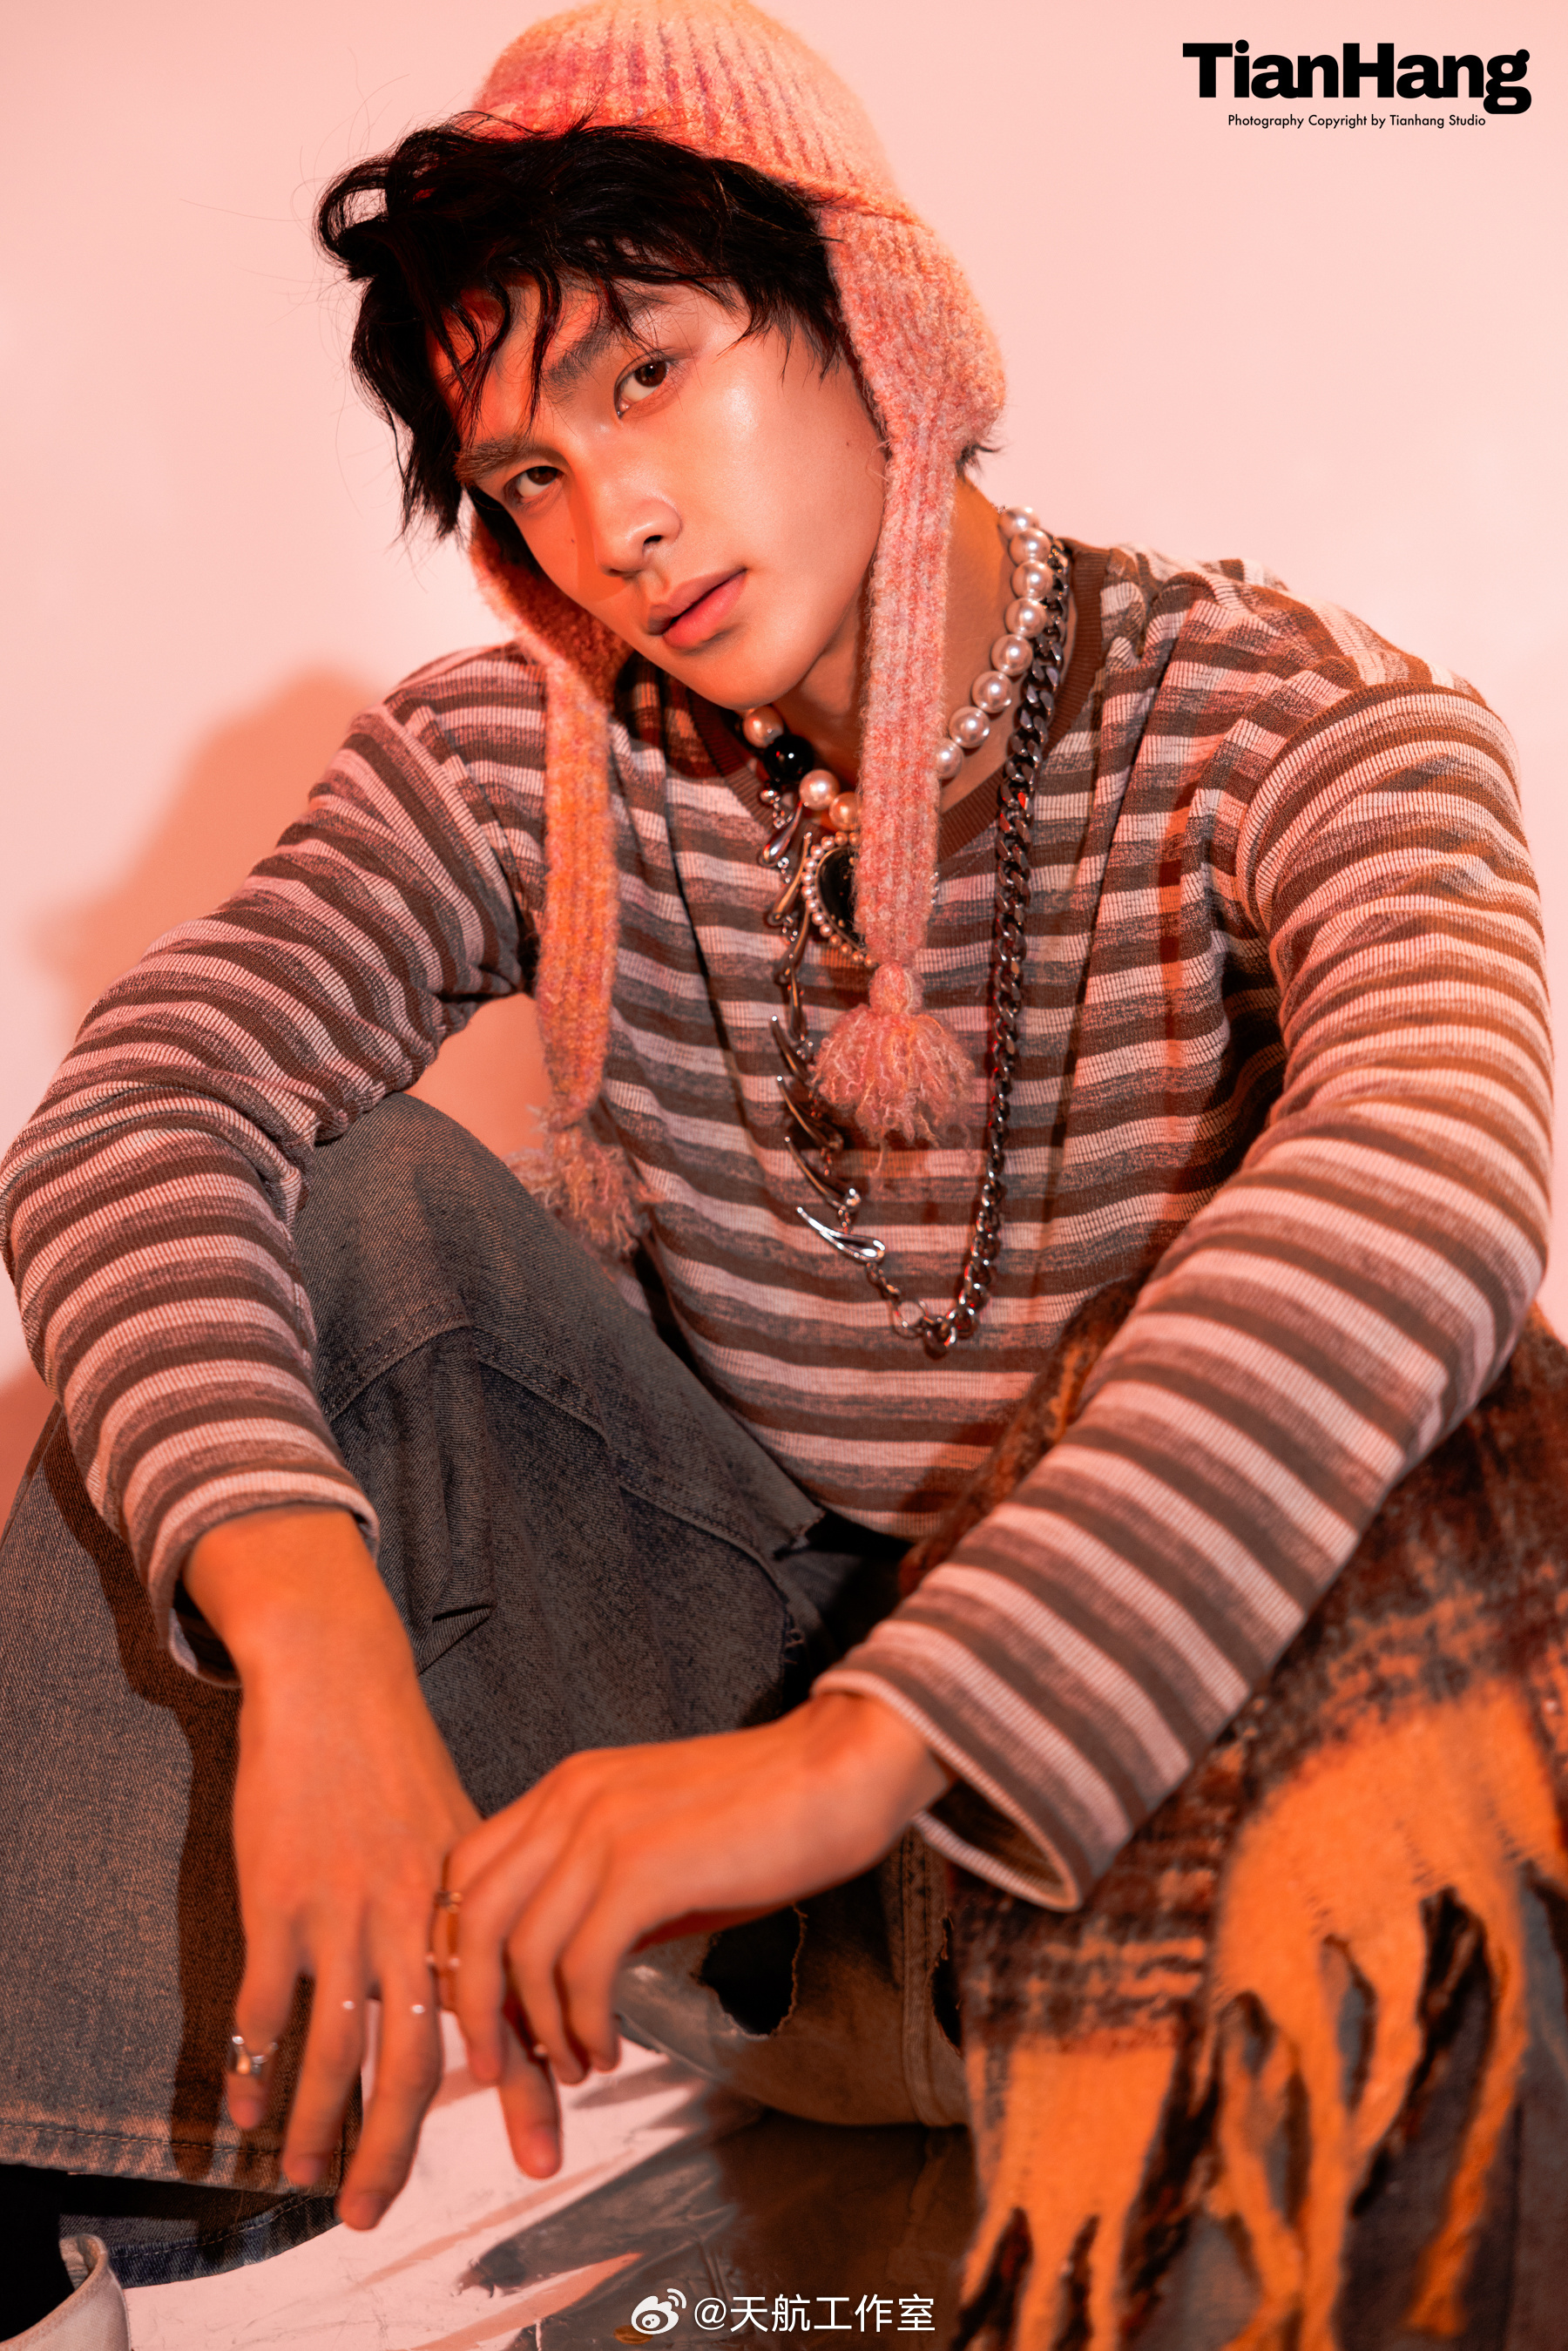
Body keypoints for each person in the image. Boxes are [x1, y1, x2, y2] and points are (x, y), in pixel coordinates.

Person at [0, 1, 1550, 2342]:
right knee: (349, 1215)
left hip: (1190, 1885)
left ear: (877, 318)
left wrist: (870, 1751)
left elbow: (1436, 1164)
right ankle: (85, 2255)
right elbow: (140, 1108)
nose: (609, 519)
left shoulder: (1307, 723)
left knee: (1487, 1395)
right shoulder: (521, 765)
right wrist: (306, 1636)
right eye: (527, 468)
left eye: (650, 371)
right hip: (739, 1897)